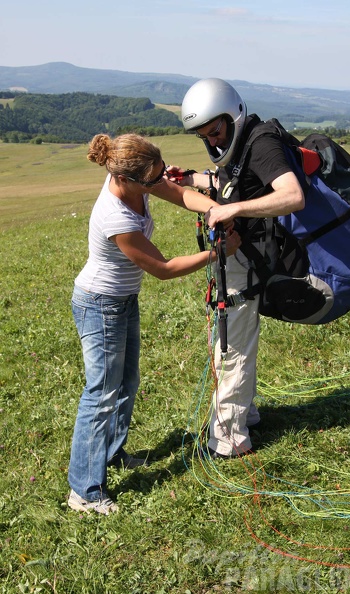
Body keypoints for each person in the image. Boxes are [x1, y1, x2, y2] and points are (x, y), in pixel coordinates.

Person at [67, 132, 241, 515]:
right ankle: (85, 490)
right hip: (101, 305)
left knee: (126, 382)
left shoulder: (135, 174)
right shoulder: (116, 215)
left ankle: (111, 454)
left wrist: (214, 209)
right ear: (127, 180)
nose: (159, 182)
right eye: (152, 179)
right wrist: (216, 253)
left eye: (160, 174)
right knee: (100, 394)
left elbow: (179, 193)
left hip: (122, 301)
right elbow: (162, 268)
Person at [167, 78, 305, 460]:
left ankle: (230, 439)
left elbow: (292, 195)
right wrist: (190, 179)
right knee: (230, 341)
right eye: (203, 136)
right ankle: (246, 412)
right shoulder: (239, 145)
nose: (212, 142)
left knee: (233, 346)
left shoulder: (260, 144)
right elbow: (232, 185)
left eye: (215, 131)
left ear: (234, 114)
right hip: (238, 254)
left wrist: (234, 211)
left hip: (247, 257)